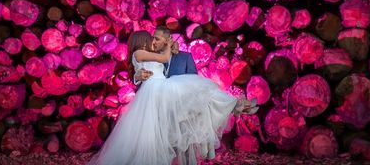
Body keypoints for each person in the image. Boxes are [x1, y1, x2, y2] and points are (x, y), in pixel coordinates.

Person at [87, 30, 257, 165]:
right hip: (156, 96)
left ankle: (237, 105)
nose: (153, 42)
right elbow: (157, 63)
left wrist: (170, 49)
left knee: (204, 90)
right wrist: (138, 76)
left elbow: (187, 79)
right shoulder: (142, 53)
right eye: (151, 39)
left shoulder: (176, 56)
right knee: (204, 90)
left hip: (171, 100)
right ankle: (235, 105)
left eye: (156, 39)